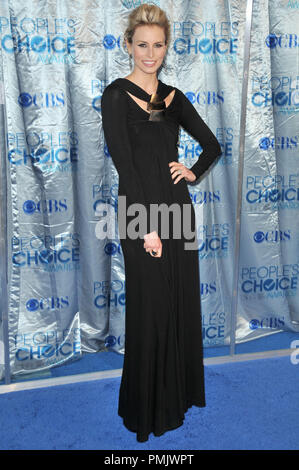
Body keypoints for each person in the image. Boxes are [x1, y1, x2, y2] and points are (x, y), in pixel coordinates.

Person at [101, 4, 222, 443]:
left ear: (166, 47)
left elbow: (211, 146)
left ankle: (178, 397)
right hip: (141, 215)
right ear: (128, 46)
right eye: (141, 45)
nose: (149, 54)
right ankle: (146, 410)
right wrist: (146, 227)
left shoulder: (172, 97)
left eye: (157, 45)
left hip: (178, 211)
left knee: (179, 303)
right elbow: (127, 169)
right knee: (151, 310)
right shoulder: (115, 95)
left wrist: (192, 170)